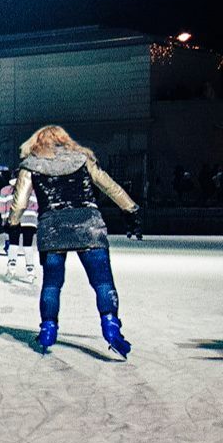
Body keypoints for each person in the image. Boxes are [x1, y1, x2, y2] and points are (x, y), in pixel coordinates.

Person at [9, 125, 140, 356]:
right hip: (88, 225)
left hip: (52, 228)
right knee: (102, 283)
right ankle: (111, 326)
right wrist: (130, 209)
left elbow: (19, 203)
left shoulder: (30, 165)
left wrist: (12, 223)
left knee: (52, 284)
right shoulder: (82, 159)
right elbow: (110, 186)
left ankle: (48, 328)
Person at [0, 170, 38, 278]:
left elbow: (2, 206)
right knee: (28, 244)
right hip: (29, 219)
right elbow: (36, 205)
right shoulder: (32, 189)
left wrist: (4, 219)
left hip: (13, 219)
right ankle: (30, 268)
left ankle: (11, 266)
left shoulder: (5, 190)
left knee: (13, 243)